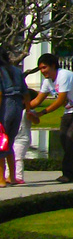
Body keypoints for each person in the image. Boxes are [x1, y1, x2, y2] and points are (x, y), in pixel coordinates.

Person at [29, 53, 73, 183]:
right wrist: (21, 106)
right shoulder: (47, 82)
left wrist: (41, 113)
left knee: (70, 139)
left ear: (53, 65)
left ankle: (68, 174)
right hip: (70, 111)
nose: (42, 71)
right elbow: (36, 100)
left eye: (44, 67)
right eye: (40, 69)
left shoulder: (63, 75)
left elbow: (60, 100)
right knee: (65, 140)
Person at [0, 54, 25, 186]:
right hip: (17, 107)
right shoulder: (17, 70)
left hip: (5, 106)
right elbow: (26, 93)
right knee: (9, 142)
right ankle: (13, 177)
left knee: (0, 142)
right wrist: (29, 109)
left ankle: (1, 179)